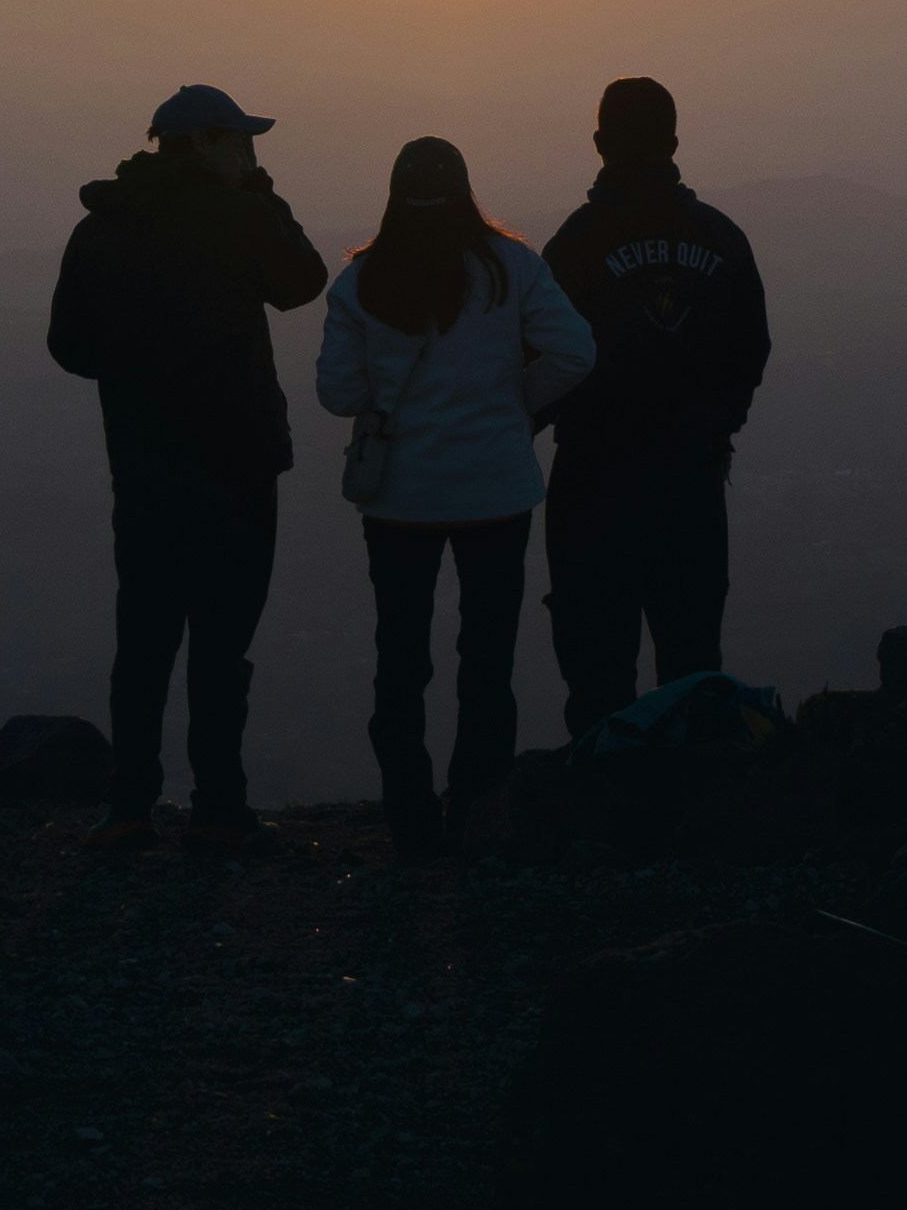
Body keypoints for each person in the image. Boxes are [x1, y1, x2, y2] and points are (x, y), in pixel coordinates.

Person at [46, 83, 325, 852]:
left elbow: (68, 347)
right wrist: (263, 194)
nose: (251, 154)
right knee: (221, 642)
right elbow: (303, 284)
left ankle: (130, 805)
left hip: (143, 466)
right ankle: (219, 807)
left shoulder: (102, 227)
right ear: (205, 143)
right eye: (242, 142)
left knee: (144, 639)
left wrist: (138, 371)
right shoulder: (241, 216)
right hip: (238, 463)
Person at [313, 137, 594, 862]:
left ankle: (410, 824)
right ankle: (479, 811)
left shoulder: (360, 281)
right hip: (497, 493)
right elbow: (575, 353)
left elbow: (337, 393)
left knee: (401, 660)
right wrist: (515, 407)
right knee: (488, 661)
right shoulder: (514, 268)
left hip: (399, 500)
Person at [533, 74, 768, 741]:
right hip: (691, 482)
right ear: (673, 140)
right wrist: (716, 424)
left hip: (592, 483)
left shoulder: (575, 245)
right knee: (692, 665)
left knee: (596, 671)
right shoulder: (720, 239)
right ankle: (689, 812)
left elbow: (537, 356)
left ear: (600, 142)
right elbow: (751, 349)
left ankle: (603, 821)